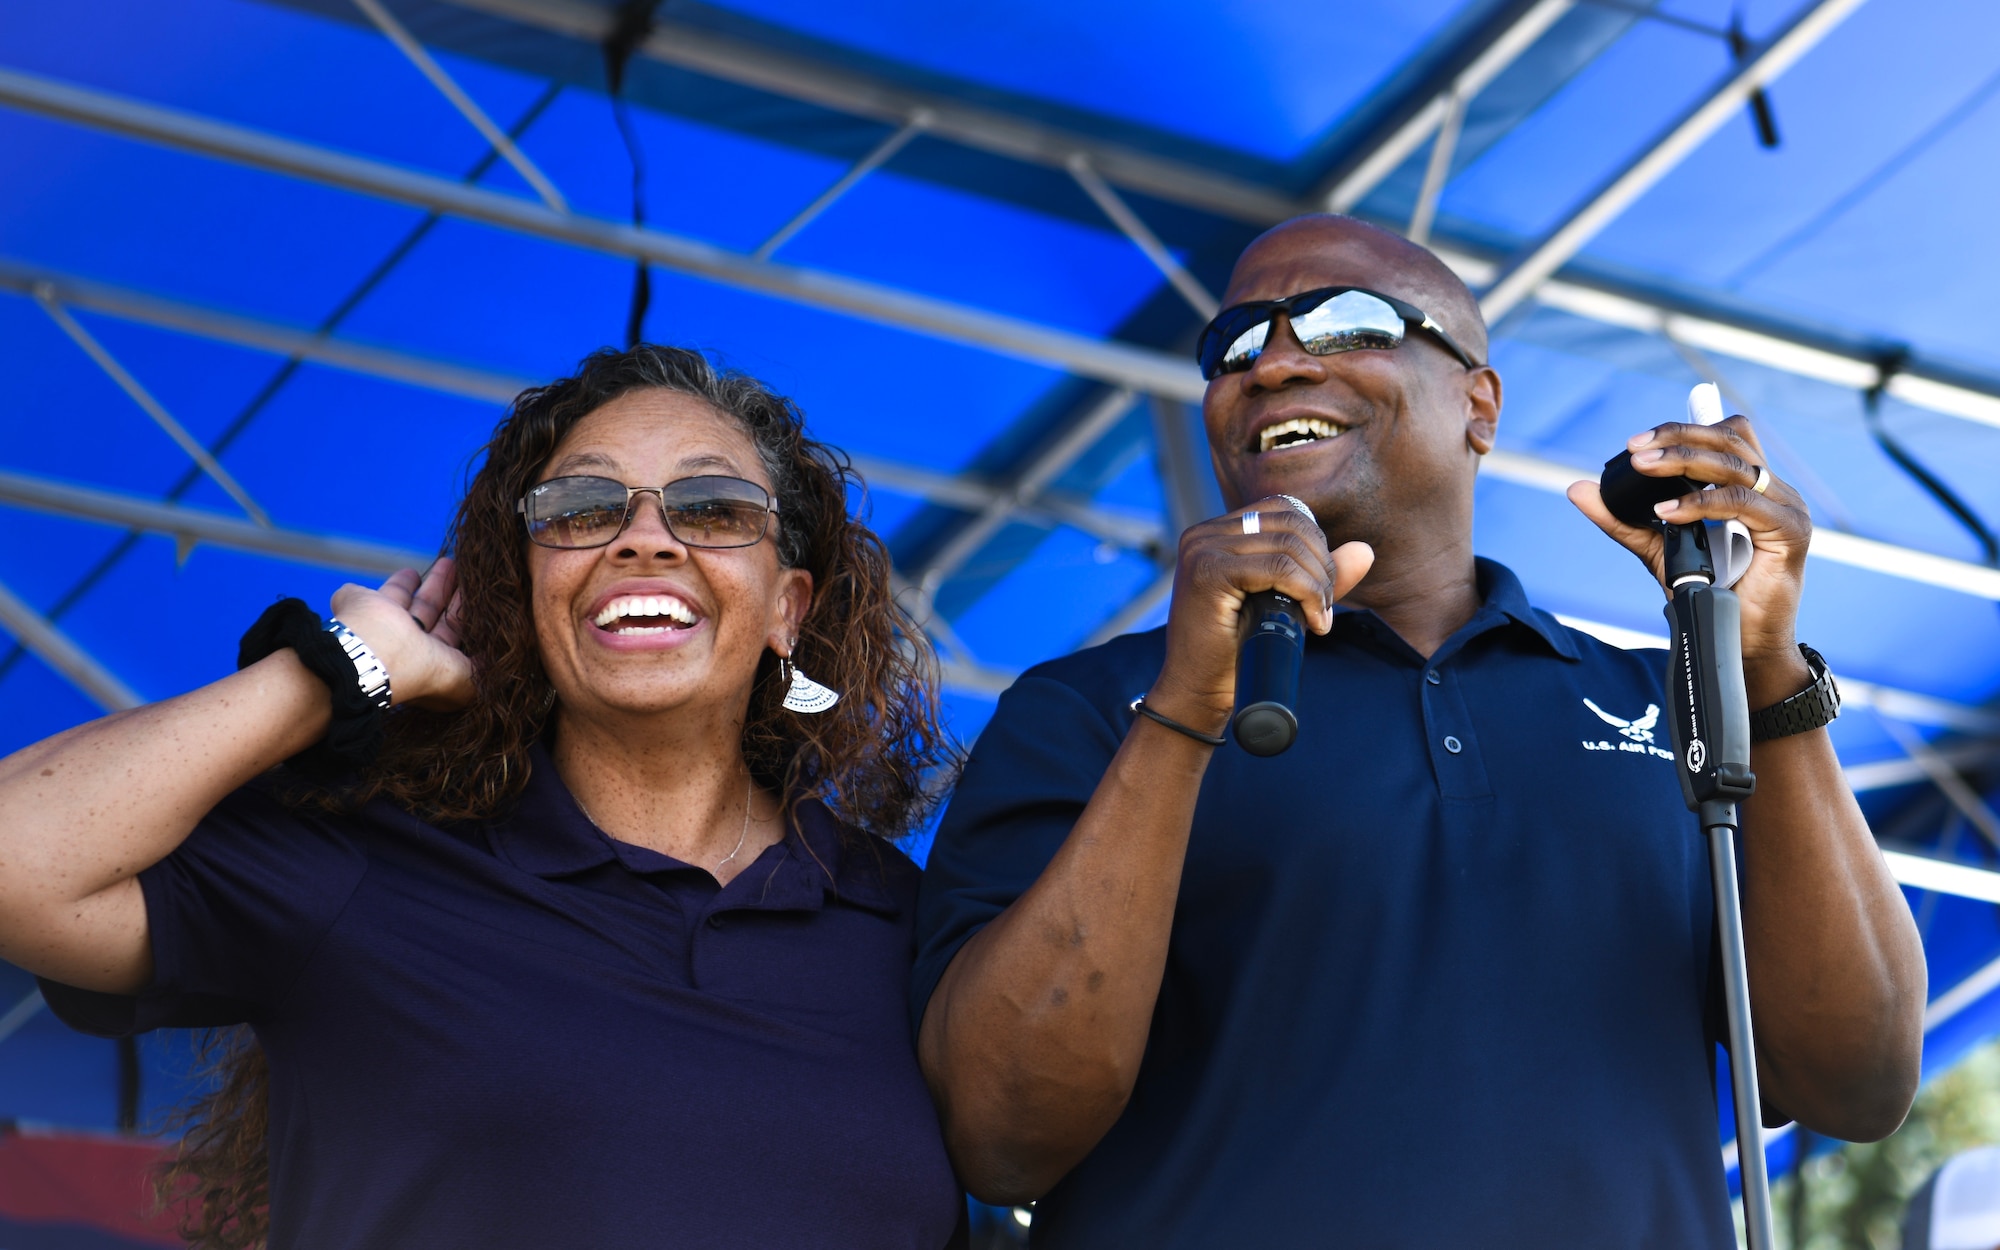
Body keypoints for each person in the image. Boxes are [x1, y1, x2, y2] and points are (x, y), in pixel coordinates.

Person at [913, 215, 1926, 1247]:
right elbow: (1000, 1133)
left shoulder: (1671, 705)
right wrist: (1181, 714)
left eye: (1345, 323)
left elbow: (1857, 1080)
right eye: (1233, 344)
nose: (1270, 364)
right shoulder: (1091, 707)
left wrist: (1762, 674)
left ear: (1477, 405)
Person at [0, 346, 965, 1249]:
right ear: (524, 587)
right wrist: (352, 668)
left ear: (787, 608)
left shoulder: (901, 926)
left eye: (711, 506)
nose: (644, 540)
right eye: (583, 508)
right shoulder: (370, 864)